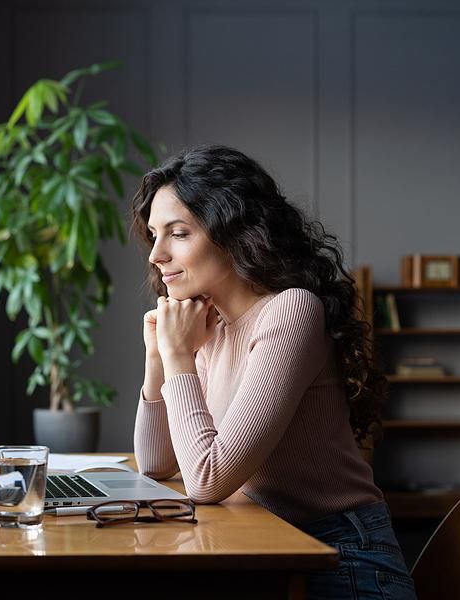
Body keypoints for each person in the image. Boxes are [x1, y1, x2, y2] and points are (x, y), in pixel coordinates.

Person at [131, 145, 417, 600]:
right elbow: (157, 465)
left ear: (234, 233)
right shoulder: (213, 328)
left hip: (341, 559)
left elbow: (207, 480)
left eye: (179, 233)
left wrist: (179, 356)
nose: (157, 255)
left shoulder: (291, 311)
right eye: (154, 235)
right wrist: (158, 358)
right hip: (270, 545)